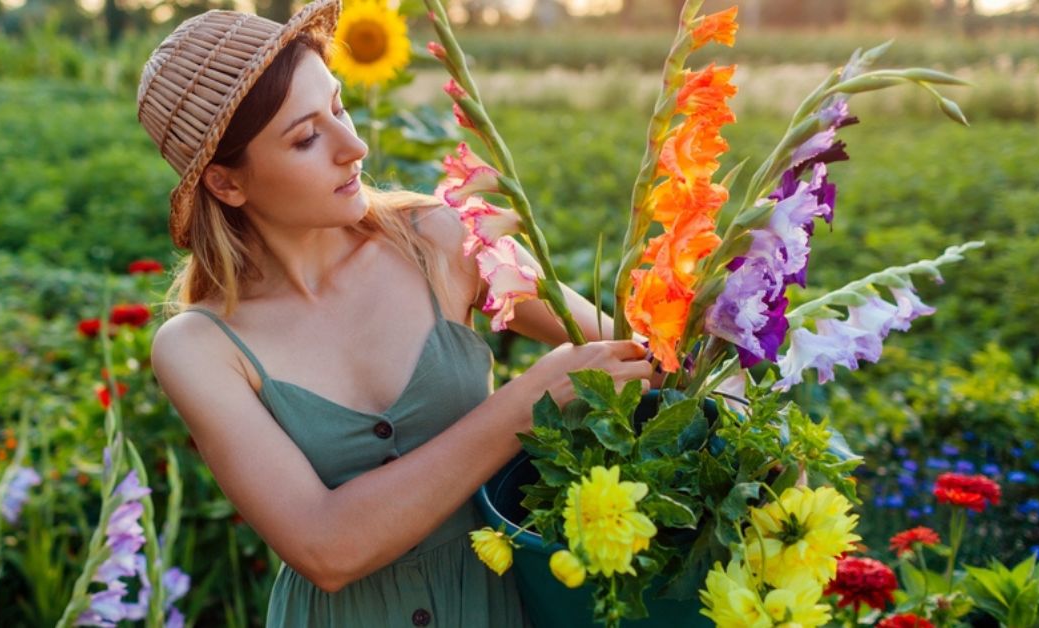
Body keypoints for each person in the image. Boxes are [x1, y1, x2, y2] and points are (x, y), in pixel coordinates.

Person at [139, 1, 656, 625]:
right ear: (226, 184)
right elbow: (327, 548)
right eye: (306, 137)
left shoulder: (443, 239)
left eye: (338, 106)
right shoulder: (199, 346)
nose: (353, 146)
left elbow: (644, 355)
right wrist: (528, 403)